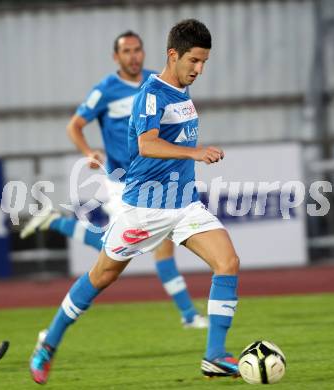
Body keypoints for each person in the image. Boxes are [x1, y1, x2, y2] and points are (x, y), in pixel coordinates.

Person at [29, 19, 240, 385]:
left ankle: (214, 356)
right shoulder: (152, 93)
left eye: (204, 62)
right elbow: (147, 144)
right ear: (173, 55)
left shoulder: (181, 90)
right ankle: (49, 342)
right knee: (101, 275)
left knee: (228, 261)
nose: (199, 69)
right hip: (144, 208)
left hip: (184, 205)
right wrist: (195, 153)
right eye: (193, 60)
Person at [20, 31, 207, 330]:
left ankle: (188, 315)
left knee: (160, 247)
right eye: (126, 51)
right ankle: (55, 223)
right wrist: (88, 151)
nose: (133, 56)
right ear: (116, 57)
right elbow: (74, 126)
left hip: (156, 181)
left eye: (137, 50)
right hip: (123, 182)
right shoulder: (105, 90)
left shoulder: (157, 83)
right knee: (110, 252)